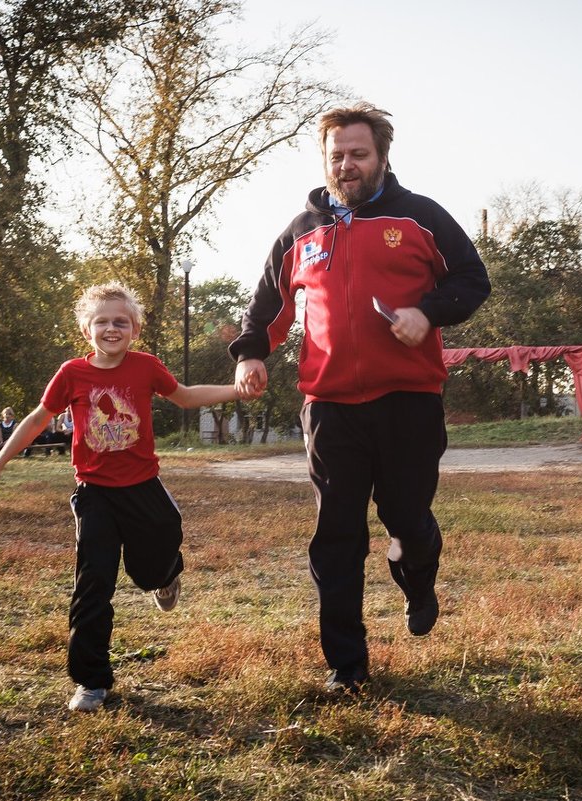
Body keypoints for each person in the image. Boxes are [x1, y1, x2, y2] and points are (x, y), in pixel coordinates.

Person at [229, 102, 491, 695]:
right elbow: (268, 305)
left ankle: (417, 579)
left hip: (409, 400)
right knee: (337, 532)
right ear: (325, 160)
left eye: (358, 154)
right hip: (329, 406)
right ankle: (347, 666)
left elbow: (471, 279)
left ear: (381, 157)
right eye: (336, 155)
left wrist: (427, 313)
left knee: (405, 519)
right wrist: (250, 353)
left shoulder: (420, 216)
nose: (346, 165)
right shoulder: (301, 231)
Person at [0, 282, 256, 713]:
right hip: (95, 494)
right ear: (86, 328)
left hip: (144, 489)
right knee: (93, 585)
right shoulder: (72, 373)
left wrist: (236, 391)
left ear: (135, 329)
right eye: (102, 321)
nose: (111, 328)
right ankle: (91, 681)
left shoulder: (146, 367)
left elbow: (183, 397)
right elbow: (36, 420)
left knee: (150, 566)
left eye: (120, 321)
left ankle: (165, 577)